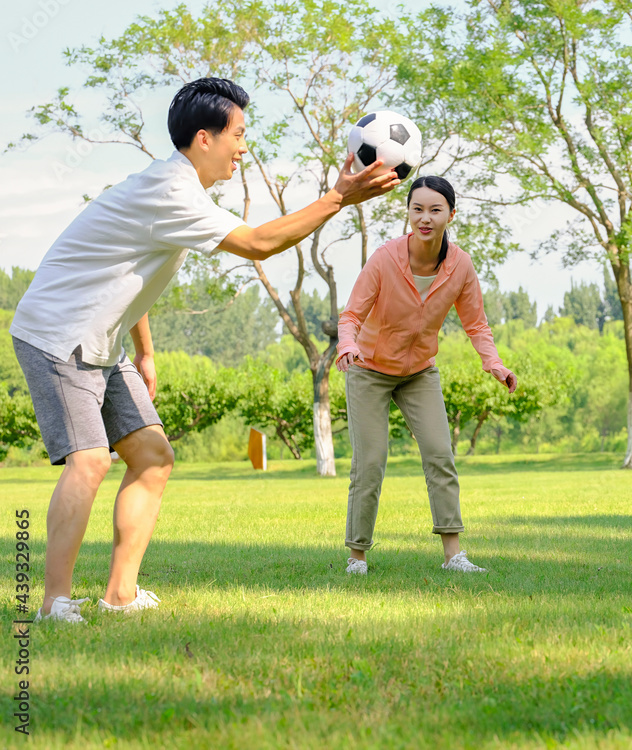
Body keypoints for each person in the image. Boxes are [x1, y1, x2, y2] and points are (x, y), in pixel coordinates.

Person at [11, 78, 399, 623]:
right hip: (58, 334)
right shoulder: (168, 190)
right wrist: (339, 197)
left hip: (103, 341)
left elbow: (127, 272)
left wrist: (144, 351)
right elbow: (259, 244)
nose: (244, 147)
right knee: (90, 461)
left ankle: (120, 594)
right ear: (204, 138)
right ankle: (54, 602)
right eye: (239, 135)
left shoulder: (177, 192)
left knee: (152, 458)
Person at [336, 175, 517, 575]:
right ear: (408, 213)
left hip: (419, 371)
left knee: (440, 454)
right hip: (367, 369)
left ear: (451, 214)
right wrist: (347, 345)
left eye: (435, 210)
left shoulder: (460, 265)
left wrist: (495, 363)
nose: (425, 218)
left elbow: (477, 325)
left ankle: (454, 556)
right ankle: (357, 557)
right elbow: (351, 315)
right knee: (371, 461)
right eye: (417, 209)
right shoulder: (385, 258)